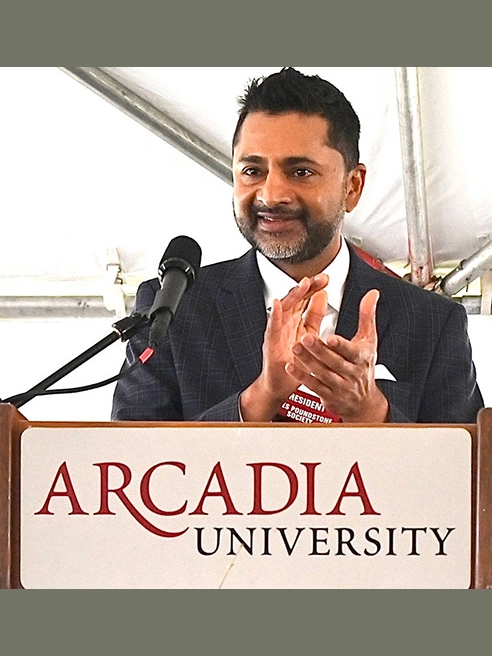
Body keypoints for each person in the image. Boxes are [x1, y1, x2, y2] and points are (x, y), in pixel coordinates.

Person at [111, 67, 483, 424]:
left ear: (351, 187)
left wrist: (370, 412)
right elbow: (127, 470)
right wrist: (261, 396)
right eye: (252, 171)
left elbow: (471, 474)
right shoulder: (170, 313)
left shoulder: (431, 323)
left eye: (300, 172)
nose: (271, 195)